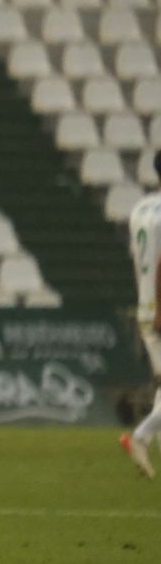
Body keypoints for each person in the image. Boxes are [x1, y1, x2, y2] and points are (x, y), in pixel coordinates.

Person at [121, 152, 161, 478]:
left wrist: (146, 302)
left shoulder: (141, 209)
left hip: (145, 306)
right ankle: (141, 436)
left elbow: (139, 262)